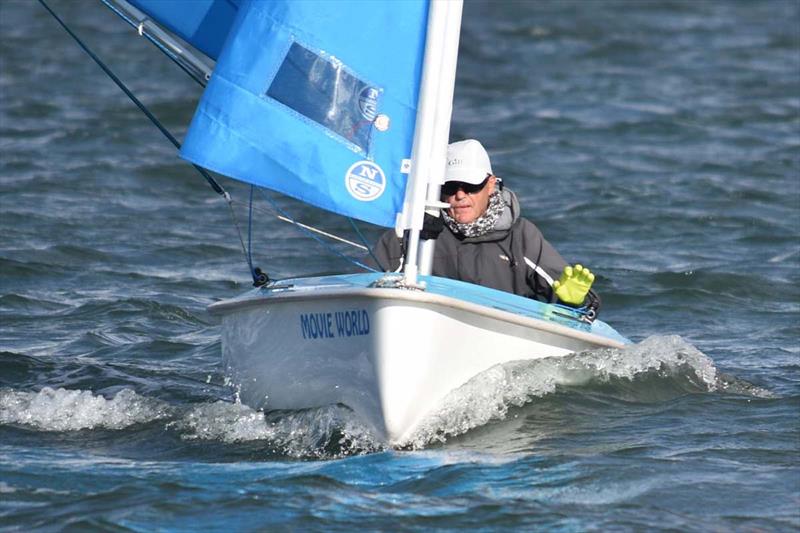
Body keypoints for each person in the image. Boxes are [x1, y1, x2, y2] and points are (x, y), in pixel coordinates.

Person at [373, 139, 601, 316]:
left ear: (491, 184)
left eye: (471, 186)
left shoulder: (522, 237)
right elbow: (365, 286)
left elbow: (584, 310)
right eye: (451, 186)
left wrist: (574, 303)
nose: (460, 195)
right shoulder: (409, 234)